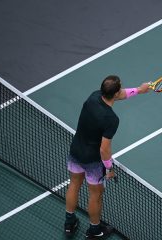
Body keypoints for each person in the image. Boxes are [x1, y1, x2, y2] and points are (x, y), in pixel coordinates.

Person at [64, 75, 150, 239]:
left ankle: (69, 223)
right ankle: (95, 231)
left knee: (74, 185)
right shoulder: (111, 119)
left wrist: (139, 90)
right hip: (93, 161)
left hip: (76, 150)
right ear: (116, 93)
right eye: (120, 89)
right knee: (96, 195)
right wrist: (109, 168)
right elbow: (104, 149)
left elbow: (120, 94)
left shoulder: (93, 96)